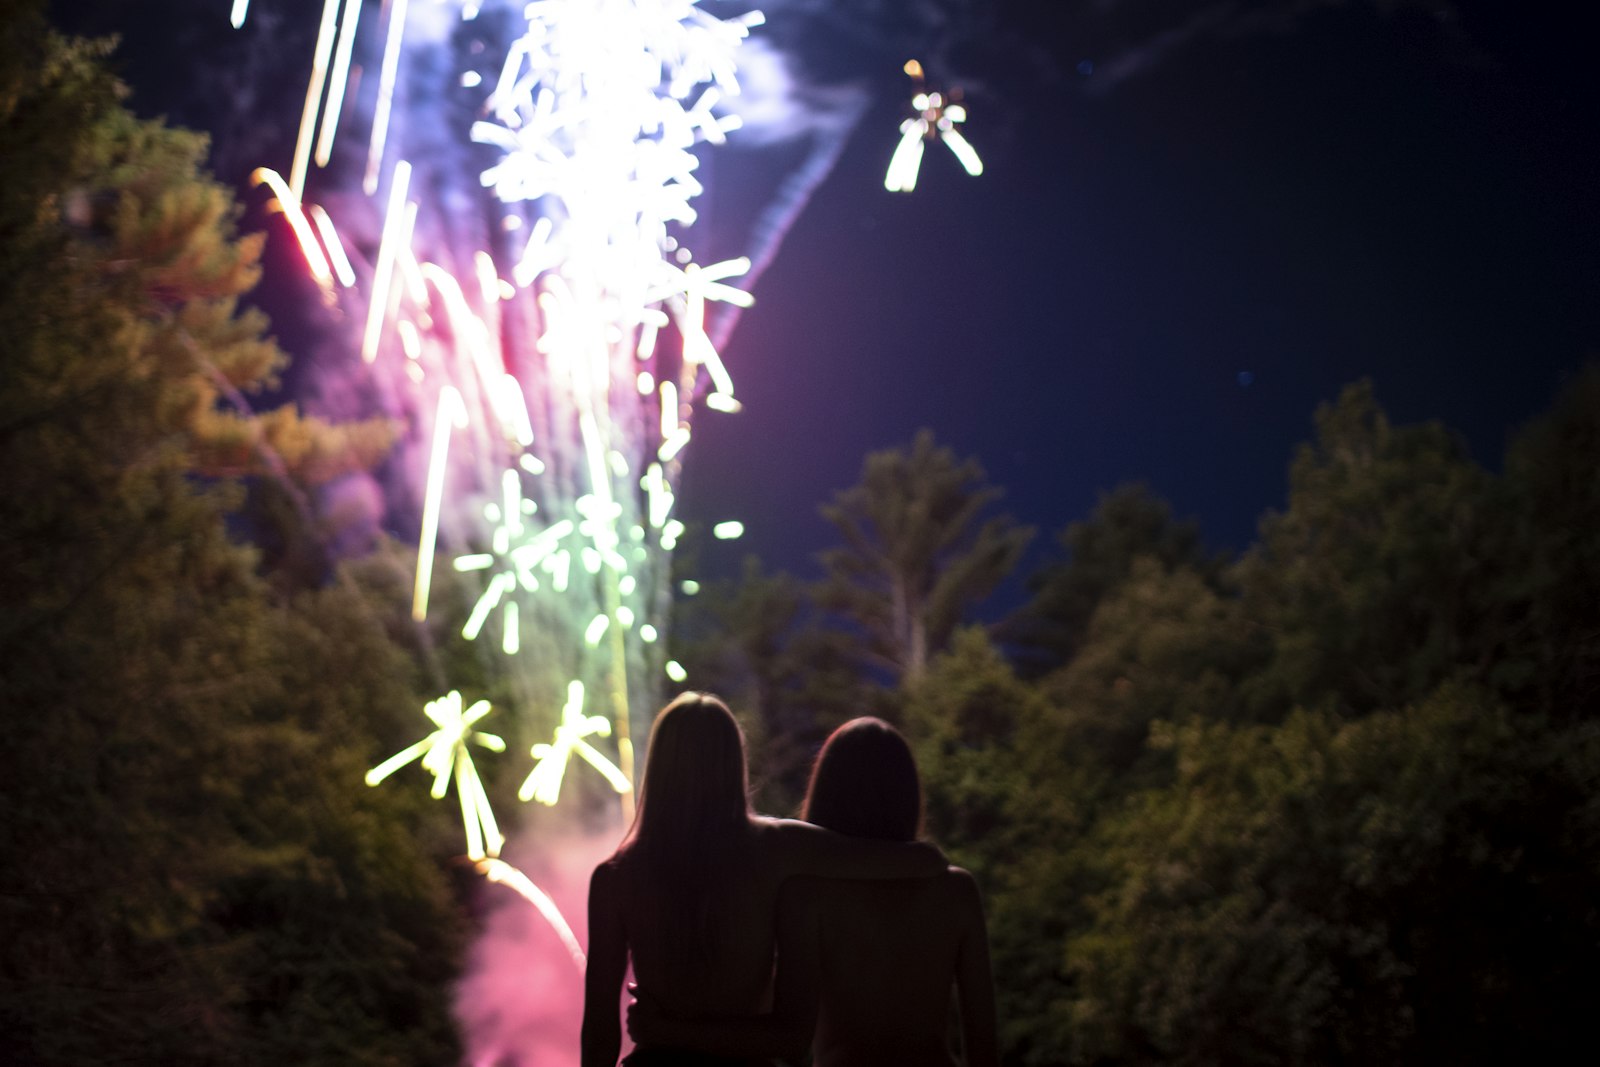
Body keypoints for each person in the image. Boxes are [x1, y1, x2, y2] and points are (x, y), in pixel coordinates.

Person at [581, 695, 946, 1067]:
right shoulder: (777, 848)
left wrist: (668, 1033)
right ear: (733, 761)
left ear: (658, 766)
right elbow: (926, 860)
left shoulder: (615, 878)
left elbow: (599, 1037)